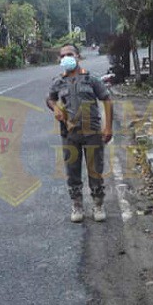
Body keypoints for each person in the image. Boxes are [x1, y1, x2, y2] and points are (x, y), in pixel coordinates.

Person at [46, 44, 113, 223]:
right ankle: (77, 205)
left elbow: (107, 100)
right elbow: (50, 99)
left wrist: (108, 128)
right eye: (63, 55)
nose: (66, 58)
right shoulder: (58, 81)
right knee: (72, 171)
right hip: (69, 133)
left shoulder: (91, 79)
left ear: (78, 56)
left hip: (92, 131)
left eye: (70, 54)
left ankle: (98, 204)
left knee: (95, 170)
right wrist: (55, 108)